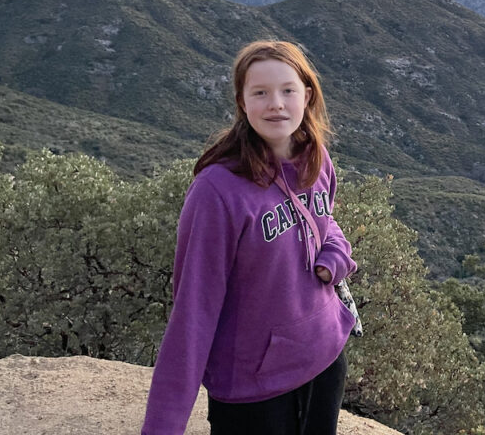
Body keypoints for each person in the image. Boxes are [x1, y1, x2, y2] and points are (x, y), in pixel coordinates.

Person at [142, 40, 358, 435]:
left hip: (324, 358)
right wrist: (163, 426)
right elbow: (194, 310)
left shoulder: (316, 157)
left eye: (287, 90)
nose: (276, 103)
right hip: (254, 389)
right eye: (260, 92)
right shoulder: (218, 191)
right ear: (242, 102)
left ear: (306, 96)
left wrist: (336, 256)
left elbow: (326, 219)